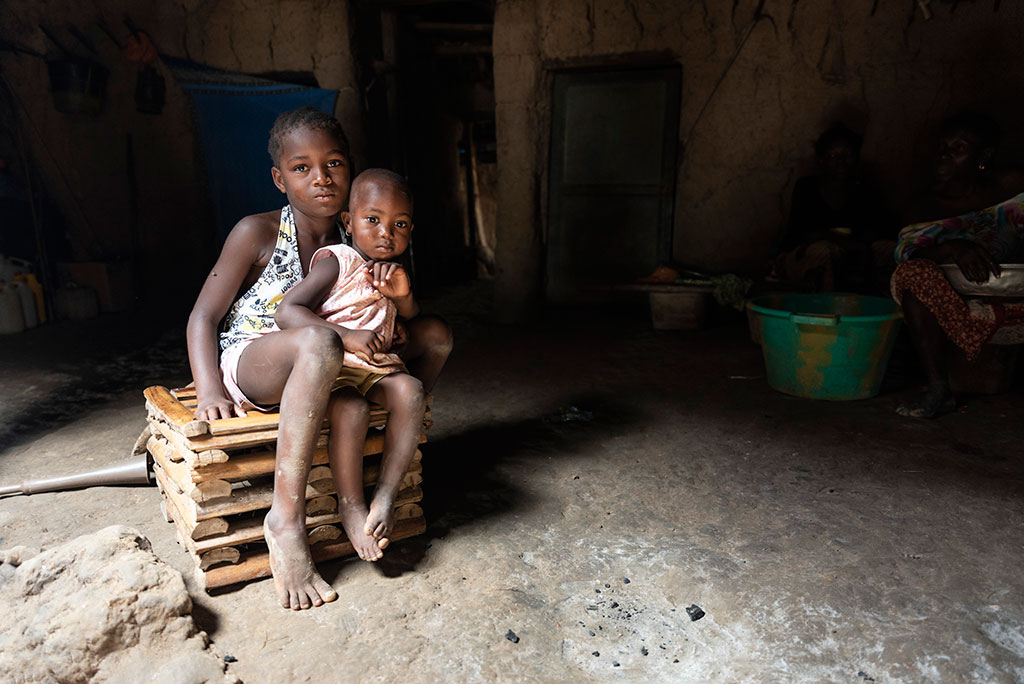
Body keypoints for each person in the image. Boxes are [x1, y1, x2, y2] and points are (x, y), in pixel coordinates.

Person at [186, 107, 452, 610]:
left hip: (336, 364)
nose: (321, 178)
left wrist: (384, 332)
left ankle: (384, 434)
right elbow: (203, 318)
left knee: (434, 333)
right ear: (279, 179)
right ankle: (284, 520)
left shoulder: (363, 234)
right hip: (258, 359)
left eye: (333, 164)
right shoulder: (258, 232)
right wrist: (209, 389)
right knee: (322, 342)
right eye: (302, 168)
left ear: (351, 169)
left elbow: (386, 310)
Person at [275, 168, 424, 570]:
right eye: (372, 220)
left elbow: (406, 317)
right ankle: (351, 505)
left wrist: (403, 298)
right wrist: (346, 335)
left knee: (411, 391)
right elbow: (287, 312)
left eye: (400, 224)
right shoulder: (336, 262)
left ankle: (386, 495)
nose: (385, 233)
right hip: (333, 370)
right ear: (348, 222)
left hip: (375, 369)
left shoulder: (393, 272)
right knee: (352, 410)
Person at [891, 112, 1024, 418]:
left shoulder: (1011, 188)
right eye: (941, 147)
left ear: (983, 156)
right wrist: (951, 249)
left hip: (1013, 284)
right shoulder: (922, 205)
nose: (942, 156)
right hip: (954, 297)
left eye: (957, 149)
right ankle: (939, 390)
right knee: (913, 277)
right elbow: (907, 255)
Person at [775, 122, 897, 293]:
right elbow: (808, 233)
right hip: (804, 255)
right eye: (833, 156)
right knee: (824, 252)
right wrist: (853, 246)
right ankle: (827, 313)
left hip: (852, 253)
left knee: (889, 251)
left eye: (848, 155)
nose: (841, 162)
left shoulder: (863, 189)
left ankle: (882, 312)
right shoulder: (806, 187)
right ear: (821, 160)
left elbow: (876, 230)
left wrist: (859, 246)